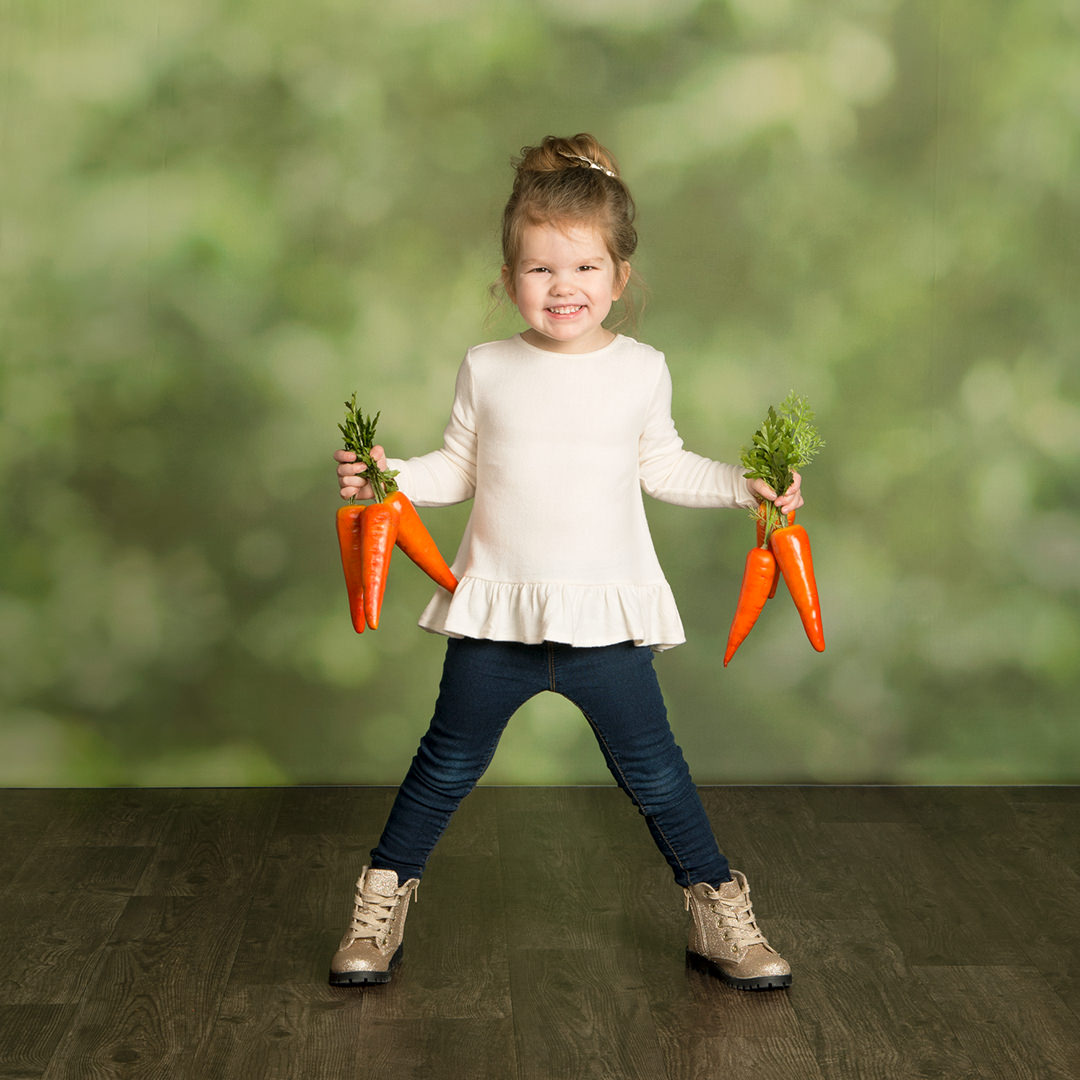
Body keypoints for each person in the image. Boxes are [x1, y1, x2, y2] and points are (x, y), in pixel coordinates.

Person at [329, 134, 801, 992]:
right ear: (509, 278)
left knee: (656, 775)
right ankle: (380, 906)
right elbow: (457, 472)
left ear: (620, 277)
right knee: (445, 766)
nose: (563, 287)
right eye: (540, 269)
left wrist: (748, 486)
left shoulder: (641, 370)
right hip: (496, 618)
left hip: (604, 621)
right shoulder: (487, 368)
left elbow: (665, 467)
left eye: (584, 268)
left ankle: (717, 914)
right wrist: (385, 478)